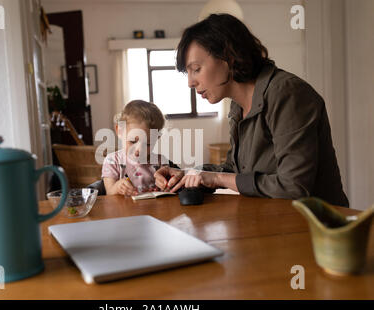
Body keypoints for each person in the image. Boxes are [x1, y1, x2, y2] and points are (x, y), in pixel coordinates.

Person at [154, 13, 349, 207]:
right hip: (275, 222)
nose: (190, 82)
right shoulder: (238, 105)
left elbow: (293, 187)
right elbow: (236, 169)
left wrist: (218, 179)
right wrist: (190, 174)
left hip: (319, 230)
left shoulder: (287, 93)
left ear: (228, 56)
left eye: (196, 69)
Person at [102, 100, 177, 196]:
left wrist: (167, 186)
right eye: (133, 141)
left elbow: (168, 191)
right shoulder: (112, 161)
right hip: (124, 210)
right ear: (120, 131)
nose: (139, 150)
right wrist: (117, 187)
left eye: (148, 144)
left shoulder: (160, 161)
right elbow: (109, 193)